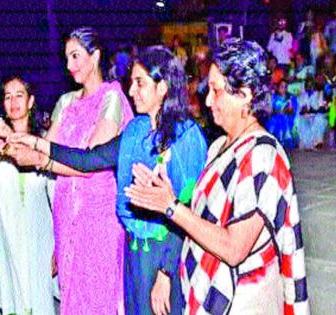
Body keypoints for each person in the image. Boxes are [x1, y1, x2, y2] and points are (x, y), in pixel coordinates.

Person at [6, 45, 207, 315]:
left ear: (163, 87)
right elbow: (89, 160)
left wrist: (166, 273)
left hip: (165, 255)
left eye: (140, 83)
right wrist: (38, 145)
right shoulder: (135, 131)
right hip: (134, 251)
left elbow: (188, 206)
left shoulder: (187, 137)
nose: (132, 91)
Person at [124, 38, 309, 314]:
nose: (207, 100)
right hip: (207, 297)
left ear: (245, 94)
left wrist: (171, 206)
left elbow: (234, 248)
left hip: (244, 302)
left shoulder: (262, 154)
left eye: (215, 90)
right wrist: (167, 196)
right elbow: (201, 219)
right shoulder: (217, 148)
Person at [0, 27, 134, 314]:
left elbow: (89, 163)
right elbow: (43, 147)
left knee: (97, 295)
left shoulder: (111, 98)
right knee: (72, 293)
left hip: (98, 216)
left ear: (96, 56)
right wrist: (9, 136)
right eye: (67, 58)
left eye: (76, 56)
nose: (70, 65)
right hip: (66, 210)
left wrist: (38, 157)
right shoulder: (66, 102)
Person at [0, 76, 55, 314]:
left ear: (30, 102)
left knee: (38, 300)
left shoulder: (43, 144)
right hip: (3, 232)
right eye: (7, 97)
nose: (13, 101)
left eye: (19, 95)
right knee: (12, 300)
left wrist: (59, 245)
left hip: (37, 233)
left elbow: (54, 195)